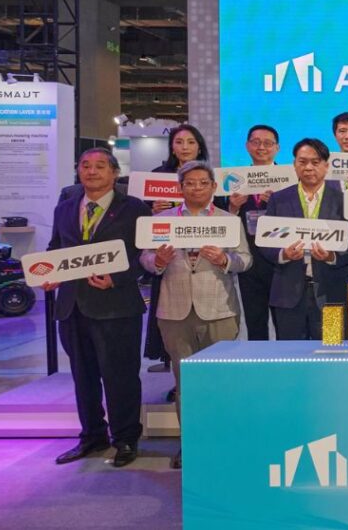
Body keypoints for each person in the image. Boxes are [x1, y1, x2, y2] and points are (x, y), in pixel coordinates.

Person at [138, 161, 252, 469]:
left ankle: (221, 441)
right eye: (190, 183)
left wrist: (225, 260)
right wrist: (158, 261)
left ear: (214, 187)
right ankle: (190, 443)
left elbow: (245, 260)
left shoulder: (229, 221)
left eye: (203, 183)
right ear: (180, 188)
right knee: (185, 382)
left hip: (219, 310)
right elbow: (145, 258)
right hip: (174, 312)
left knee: (220, 381)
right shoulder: (160, 220)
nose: (197, 188)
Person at [44, 148, 150, 468]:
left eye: (100, 166)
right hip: (72, 307)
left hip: (117, 307)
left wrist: (117, 278)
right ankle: (92, 435)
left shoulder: (135, 208)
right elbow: (55, 248)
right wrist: (48, 273)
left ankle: (126, 438)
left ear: (114, 173)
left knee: (121, 378)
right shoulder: (65, 208)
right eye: (85, 166)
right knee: (83, 377)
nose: (91, 171)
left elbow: (145, 256)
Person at [261, 138, 348, 340]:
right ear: (294, 164)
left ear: (326, 166)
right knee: (290, 353)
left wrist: (332, 256)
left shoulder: (343, 200)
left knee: (331, 353)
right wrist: (283, 254)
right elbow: (266, 243)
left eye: (315, 162)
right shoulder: (279, 199)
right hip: (288, 294)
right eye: (302, 162)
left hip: (331, 293)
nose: (308, 168)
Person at [146, 125, 212, 378]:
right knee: (176, 335)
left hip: (205, 263)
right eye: (179, 142)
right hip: (171, 260)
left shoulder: (211, 174)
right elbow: (143, 226)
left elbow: (223, 215)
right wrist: (152, 211)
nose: (185, 147)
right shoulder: (157, 176)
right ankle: (181, 384)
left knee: (329, 340)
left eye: (191, 142)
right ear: (171, 147)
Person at [225, 124, 280, 340]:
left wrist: (277, 204)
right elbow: (225, 223)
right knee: (255, 323)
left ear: (277, 148)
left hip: (280, 262)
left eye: (267, 143)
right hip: (249, 261)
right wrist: (233, 208)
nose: (261, 147)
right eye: (256, 142)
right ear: (247, 146)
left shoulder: (289, 180)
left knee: (284, 323)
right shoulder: (233, 180)